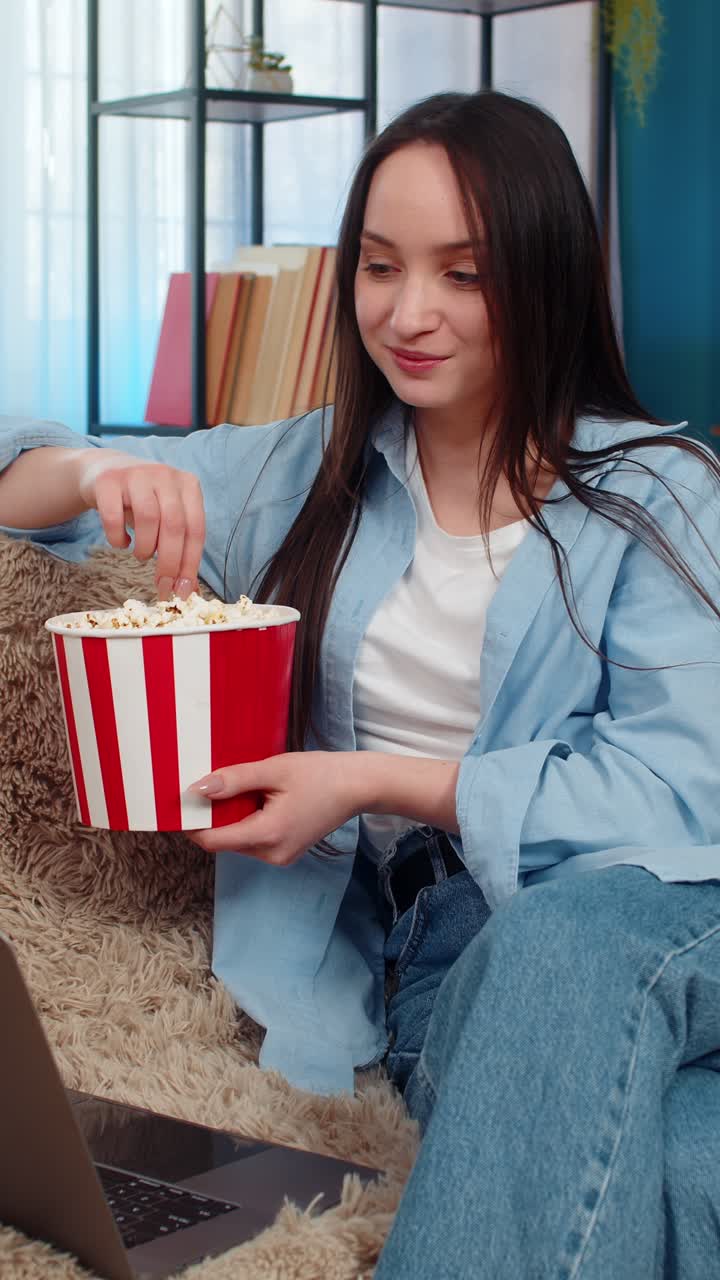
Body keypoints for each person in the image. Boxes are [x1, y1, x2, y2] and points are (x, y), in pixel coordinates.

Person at [1, 89, 719, 1277]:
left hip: (665, 909)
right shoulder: (303, 473)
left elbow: (683, 793)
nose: (409, 312)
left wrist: (374, 780)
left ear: (541, 276)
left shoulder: (660, 490)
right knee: (689, 1159)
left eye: (464, 273)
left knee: (565, 936)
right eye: (380, 267)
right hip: (449, 962)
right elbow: (16, 482)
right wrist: (92, 466)